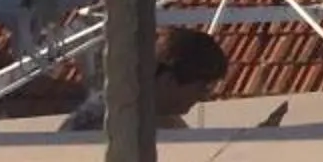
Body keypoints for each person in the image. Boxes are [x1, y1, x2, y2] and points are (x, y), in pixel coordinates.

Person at [63, 23, 231, 132]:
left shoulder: (162, 120)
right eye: (204, 87)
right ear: (169, 80)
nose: (204, 97)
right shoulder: (106, 125)